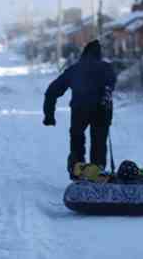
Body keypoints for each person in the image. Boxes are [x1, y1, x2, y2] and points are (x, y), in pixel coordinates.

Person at [42, 39, 116, 179]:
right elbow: (110, 85)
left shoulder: (75, 69)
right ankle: (97, 172)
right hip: (101, 110)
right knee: (99, 143)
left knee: (77, 141)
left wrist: (49, 116)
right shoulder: (106, 68)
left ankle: (77, 170)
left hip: (79, 110)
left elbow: (52, 91)